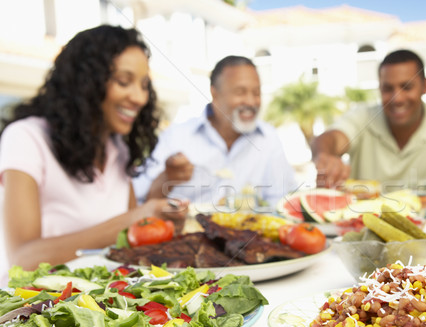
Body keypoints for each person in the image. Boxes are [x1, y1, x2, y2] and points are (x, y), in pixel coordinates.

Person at [0, 25, 187, 273]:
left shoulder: (117, 148)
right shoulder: (27, 137)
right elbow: (23, 259)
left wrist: (163, 218)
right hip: (36, 304)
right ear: (86, 83)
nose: (140, 97)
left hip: (104, 301)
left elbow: (129, 242)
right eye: (124, 81)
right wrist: (132, 218)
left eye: (144, 85)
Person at [133, 55, 297, 210]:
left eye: (256, 93)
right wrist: (167, 177)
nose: (251, 101)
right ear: (215, 94)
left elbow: (284, 202)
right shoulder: (176, 137)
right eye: (240, 92)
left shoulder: (269, 139)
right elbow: (142, 203)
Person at [311, 49, 426, 192]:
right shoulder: (362, 117)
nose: (397, 98)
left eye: (407, 87)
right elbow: (333, 137)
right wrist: (325, 155)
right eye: (387, 89)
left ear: (425, 86)